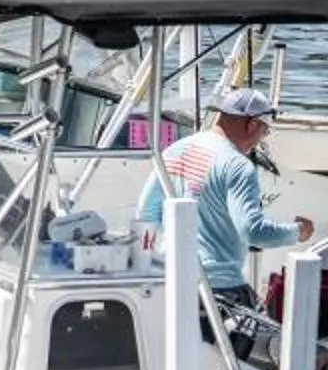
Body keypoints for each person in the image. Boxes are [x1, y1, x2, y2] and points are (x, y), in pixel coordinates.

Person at [133, 84, 313, 314]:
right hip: (219, 290)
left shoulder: (173, 151)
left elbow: (146, 214)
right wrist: (297, 231)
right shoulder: (238, 166)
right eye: (264, 131)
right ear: (252, 124)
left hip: (171, 281)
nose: (261, 140)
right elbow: (252, 231)